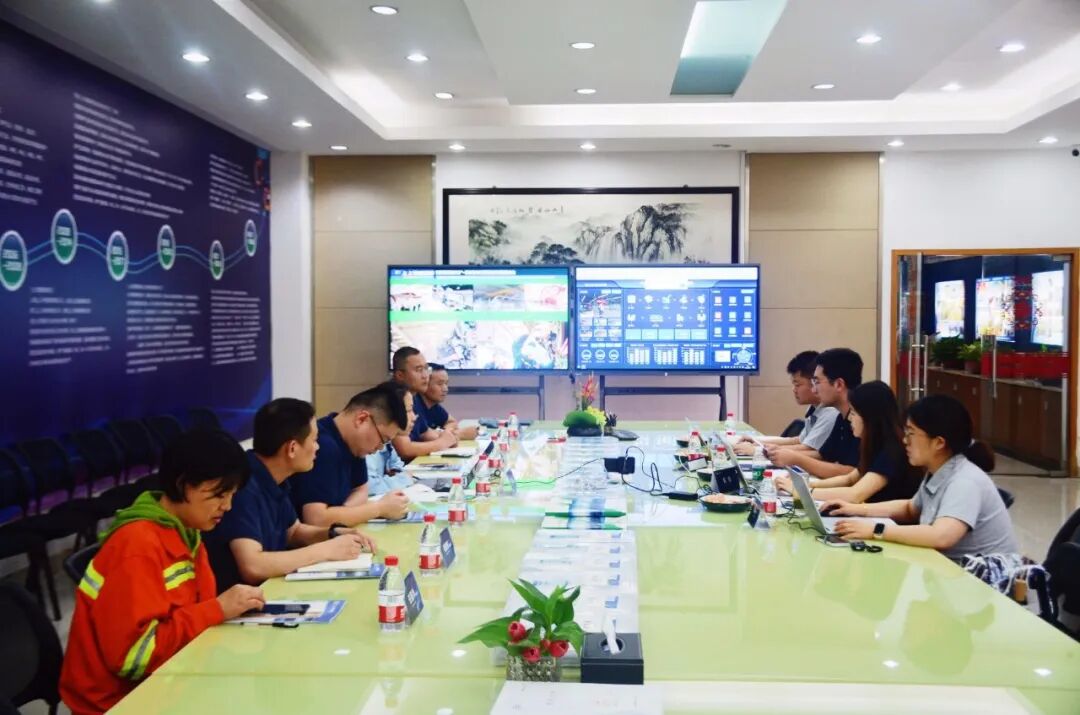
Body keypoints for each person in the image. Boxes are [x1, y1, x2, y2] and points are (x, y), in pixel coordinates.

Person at [61, 429, 266, 715]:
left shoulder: (187, 531)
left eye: (232, 495)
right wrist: (217, 609)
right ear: (183, 485)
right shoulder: (137, 546)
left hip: (174, 674)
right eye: (220, 494)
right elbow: (134, 657)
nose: (227, 506)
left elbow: (192, 613)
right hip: (119, 702)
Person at [205, 398, 378, 592]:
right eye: (314, 440)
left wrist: (332, 534)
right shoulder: (243, 485)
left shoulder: (275, 477)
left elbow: (293, 532)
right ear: (292, 448)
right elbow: (252, 566)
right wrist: (325, 550)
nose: (318, 447)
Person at [823, 394, 1020, 562]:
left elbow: (942, 536)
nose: (905, 440)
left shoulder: (965, 481)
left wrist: (876, 530)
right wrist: (854, 509)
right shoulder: (939, 471)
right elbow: (910, 509)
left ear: (939, 443)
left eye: (911, 433)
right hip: (949, 571)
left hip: (985, 583)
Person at [777, 380, 921, 503]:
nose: (850, 418)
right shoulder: (874, 445)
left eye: (853, 413)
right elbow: (848, 479)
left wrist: (799, 491)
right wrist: (806, 484)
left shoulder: (892, 450)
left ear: (869, 417)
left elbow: (855, 494)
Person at [289, 382, 412, 526]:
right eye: (382, 439)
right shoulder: (322, 447)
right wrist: (379, 508)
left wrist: (344, 514)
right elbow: (317, 519)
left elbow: (361, 490)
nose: (380, 448)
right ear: (361, 419)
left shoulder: (353, 443)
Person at [768, 348, 862, 478]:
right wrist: (779, 453)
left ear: (839, 384)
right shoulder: (842, 417)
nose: (814, 390)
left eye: (817, 382)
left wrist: (795, 459)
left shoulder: (863, 419)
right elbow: (824, 455)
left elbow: (851, 472)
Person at [736, 350, 837, 456]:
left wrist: (758, 451)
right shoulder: (815, 408)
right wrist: (757, 441)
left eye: (797, 385)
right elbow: (800, 441)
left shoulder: (831, 412)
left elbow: (808, 449)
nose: (794, 389)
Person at [391, 347, 458, 459]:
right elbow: (405, 449)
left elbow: (427, 433)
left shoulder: (414, 397)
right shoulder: (393, 397)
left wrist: (449, 438)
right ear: (400, 375)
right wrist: (442, 443)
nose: (425, 375)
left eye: (426, 369)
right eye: (419, 370)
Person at [421, 362, 480, 441]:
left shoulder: (433, 406)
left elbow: (452, 422)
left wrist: (446, 433)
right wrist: (460, 434)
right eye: (440, 384)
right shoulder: (415, 405)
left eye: (446, 383)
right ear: (424, 384)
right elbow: (427, 437)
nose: (445, 389)